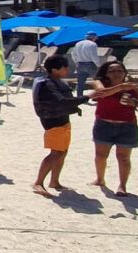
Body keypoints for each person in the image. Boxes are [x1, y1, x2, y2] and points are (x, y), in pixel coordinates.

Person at [32, 55, 89, 197]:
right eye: (65, 67)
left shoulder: (57, 82)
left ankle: (54, 181)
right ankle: (38, 182)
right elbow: (62, 101)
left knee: (62, 152)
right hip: (53, 124)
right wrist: (87, 97)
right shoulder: (47, 84)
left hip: (63, 121)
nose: (67, 70)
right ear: (55, 69)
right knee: (55, 153)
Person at [88, 61, 138, 196]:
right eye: (112, 71)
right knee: (100, 155)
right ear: (106, 73)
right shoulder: (100, 83)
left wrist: (135, 102)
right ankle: (100, 179)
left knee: (123, 158)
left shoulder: (134, 88)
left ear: (125, 72)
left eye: (119, 71)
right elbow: (101, 93)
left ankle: (122, 186)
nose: (116, 74)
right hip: (104, 124)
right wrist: (122, 87)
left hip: (127, 126)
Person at [73, 32, 101, 97]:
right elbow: (94, 56)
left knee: (80, 83)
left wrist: (76, 62)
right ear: (93, 37)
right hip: (90, 64)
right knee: (97, 81)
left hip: (80, 64)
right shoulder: (93, 44)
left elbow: (73, 54)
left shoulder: (78, 43)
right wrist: (98, 65)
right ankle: (98, 96)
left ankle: (79, 97)